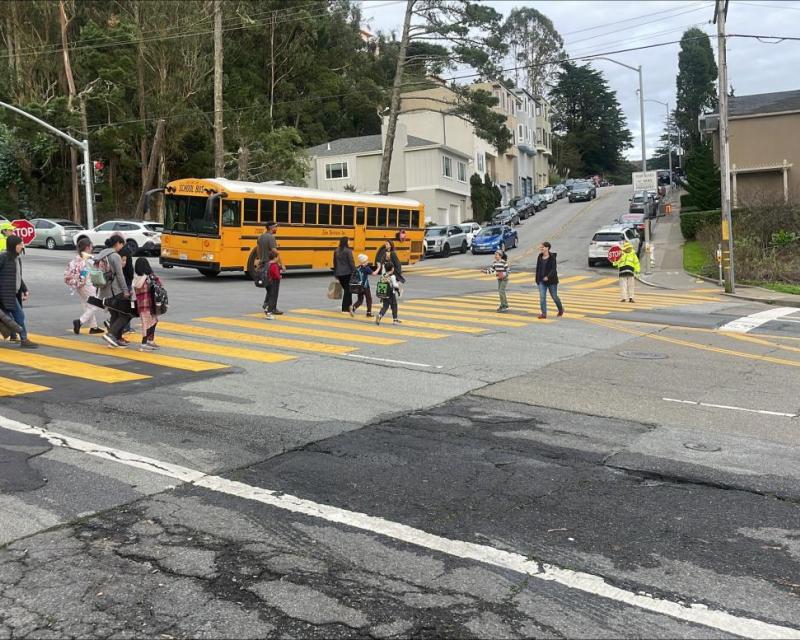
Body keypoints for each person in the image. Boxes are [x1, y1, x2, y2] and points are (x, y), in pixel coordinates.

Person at [0, 235, 37, 348]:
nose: (22, 246)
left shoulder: (17, 259)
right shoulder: (4, 257)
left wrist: (24, 289)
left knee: (8, 317)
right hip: (4, 294)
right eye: (20, 244)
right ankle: (24, 339)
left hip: (12, 293)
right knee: (19, 316)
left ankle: (14, 335)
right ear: (14, 246)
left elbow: (18, 277)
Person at [96, 234, 130, 348]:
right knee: (125, 314)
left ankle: (117, 338)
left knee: (115, 314)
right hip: (115, 290)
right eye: (121, 244)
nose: (122, 247)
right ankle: (111, 335)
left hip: (104, 289)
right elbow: (120, 275)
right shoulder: (115, 256)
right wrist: (125, 290)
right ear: (117, 243)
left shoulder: (102, 253)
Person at [67, 237, 104, 335]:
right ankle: (80, 321)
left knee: (87, 305)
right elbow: (98, 267)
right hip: (87, 284)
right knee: (96, 304)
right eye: (91, 246)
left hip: (78, 284)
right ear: (87, 247)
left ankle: (94, 327)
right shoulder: (88, 257)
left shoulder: (77, 257)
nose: (92, 248)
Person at [133, 257, 162, 350]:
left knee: (154, 320)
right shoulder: (139, 276)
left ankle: (150, 340)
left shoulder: (150, 276)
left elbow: (159, 284)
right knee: (146, 323)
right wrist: (146, 276)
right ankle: (144, 344)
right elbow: (138, 285)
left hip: (150, 303)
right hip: (144, 304)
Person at [256, 221, 283, 314]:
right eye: (276, 227)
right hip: (271, 266)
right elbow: (275, 251)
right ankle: (272, 308)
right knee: (274, 288)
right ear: (271, 228)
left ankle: (266, 303)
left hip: (263, 264)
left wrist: (260, 259)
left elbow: (258, 250)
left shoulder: (260, 237)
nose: (277, 229)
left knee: (269, 286)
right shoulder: (271, 237)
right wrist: (281, 264)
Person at [535, 241, 564, 319]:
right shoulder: (540, 256)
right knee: (542, 297)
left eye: (542, 247)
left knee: (554, 296)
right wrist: (537, 279)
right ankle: (544, 314)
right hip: (541, 280)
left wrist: (548, 277)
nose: (541, 248)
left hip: (552, 281)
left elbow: (553, 269)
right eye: (541, 247)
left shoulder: (552, 257)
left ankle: (560, 309)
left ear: (547, 248)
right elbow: (538, 268)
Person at [375, 250, 401, 325]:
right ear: (392, 269)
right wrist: (398, 290)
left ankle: (380, 315)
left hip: (384, 294)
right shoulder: (392, 276)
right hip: (391, 294)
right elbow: (395, 285)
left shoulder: (383, 275)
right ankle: (395, 320)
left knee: (385, 306)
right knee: (394, 306)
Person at [333, 236, 355, 316]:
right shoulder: (348, 251)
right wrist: (355, 271)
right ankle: (345, 308)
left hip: (339, 273)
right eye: (349, 241)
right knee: (348, 290)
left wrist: (335, 273)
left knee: (347, 290)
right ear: (346, 242)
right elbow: (351, 262)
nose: (349, 242)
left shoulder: (336, 250)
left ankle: (349, 306)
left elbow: (334, 263)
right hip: (347, 273)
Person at [263, 249, 282, 320]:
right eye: (277, 257)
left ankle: (266, 308)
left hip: (268, 283)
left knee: (270, 295)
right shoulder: (274, 265)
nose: (278, 259)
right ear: (275, 258)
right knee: (272, 298)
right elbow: (276, 275)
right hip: (273, 283)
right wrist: (279, 276)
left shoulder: (268, 264)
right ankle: (269, 313)